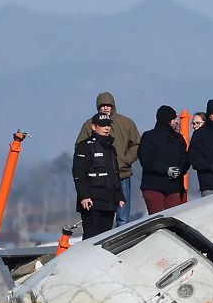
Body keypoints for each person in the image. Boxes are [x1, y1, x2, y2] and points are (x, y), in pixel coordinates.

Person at [73, 92, 140, 226]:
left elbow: (137, 144)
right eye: (102, 105)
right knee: (101, 218)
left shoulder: (126, 123)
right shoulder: (89, 124)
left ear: (113, 106)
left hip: (122, 175)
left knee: (122, 218)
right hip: (99, 181)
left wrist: (124, 161)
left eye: (108, 105)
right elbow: (79, 147)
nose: (105, 108)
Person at [73, 112, 126, 237]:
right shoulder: (84, 147)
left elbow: (114, 174)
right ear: (94, 127)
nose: (106, 128)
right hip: (91, 201)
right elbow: (79, 173)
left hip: (108, 201)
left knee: (105, 238)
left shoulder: (111, 148)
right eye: (102, 125)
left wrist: (119, 196)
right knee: (91, 238)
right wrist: (83, 196)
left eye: (108, 125)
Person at [138, 105, 189, 214]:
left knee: (173, 217)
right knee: (157, 219)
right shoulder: (149, 137)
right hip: (153, 186)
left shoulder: (178, 138)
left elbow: (184, 158)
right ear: (167, 120)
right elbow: (146, 161)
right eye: (173, 119)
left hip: (174, 186)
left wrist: (179, 169)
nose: (176, 121)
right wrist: (166, 170)